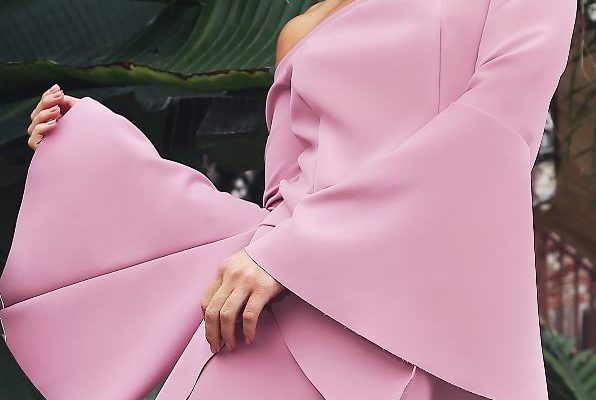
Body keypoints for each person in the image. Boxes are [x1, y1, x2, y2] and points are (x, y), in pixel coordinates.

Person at [7, 0, 577, 399]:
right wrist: (86, 144)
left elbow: (495, 129)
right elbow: (281, 207)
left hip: (423, 329)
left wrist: (300, 251)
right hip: (273, 323)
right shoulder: (303, 28)